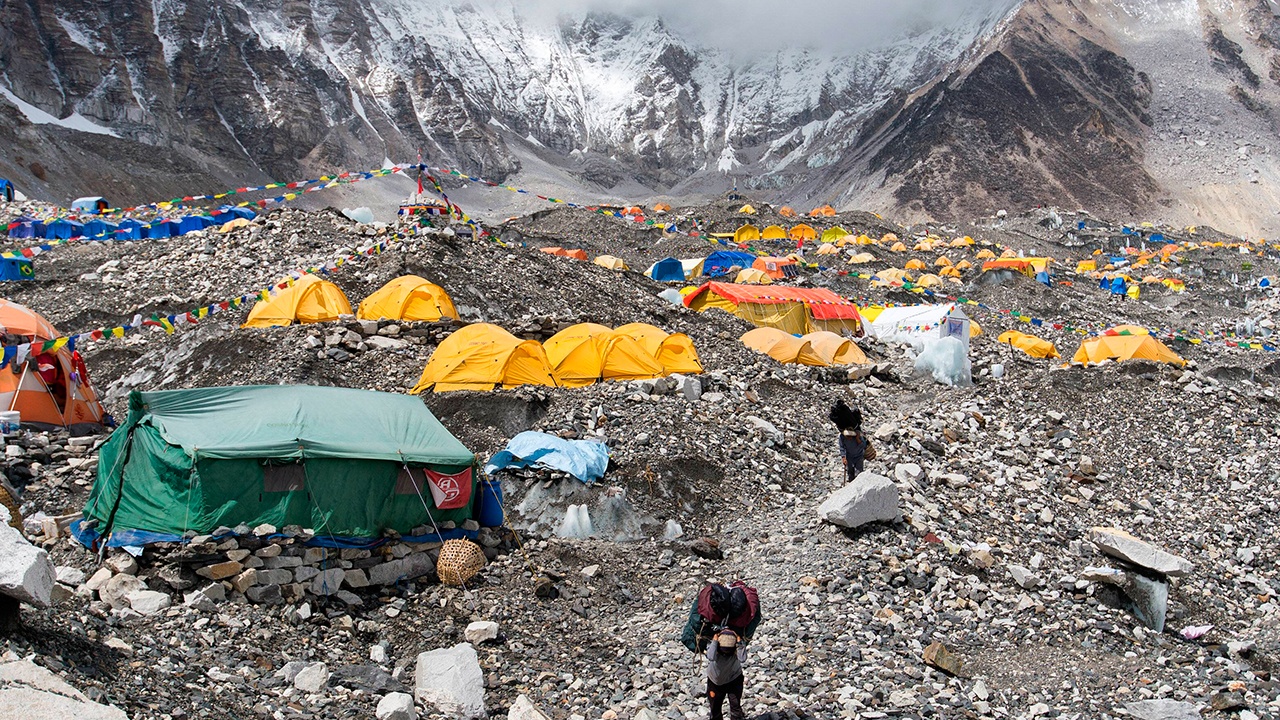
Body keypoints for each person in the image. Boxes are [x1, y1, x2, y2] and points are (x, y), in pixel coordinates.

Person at [705, 629, 747, 720]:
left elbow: (742, 658)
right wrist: (715, 641)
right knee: (715, 708)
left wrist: (739, 643)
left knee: (735, 706)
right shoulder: (713, 647)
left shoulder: (737, 647)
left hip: (734, 679)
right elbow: (711, 657)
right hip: (715, 682)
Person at [829, 399, 867, 479]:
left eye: (850, 436)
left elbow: (863, 445)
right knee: (850, 473)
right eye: (847, 436)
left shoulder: (857, 435)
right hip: (849, 457)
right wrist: (843, 457)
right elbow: (842, 447)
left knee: (859, 474)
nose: (849, 438)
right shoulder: (842, 437)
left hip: (859, 456)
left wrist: (858, 440)